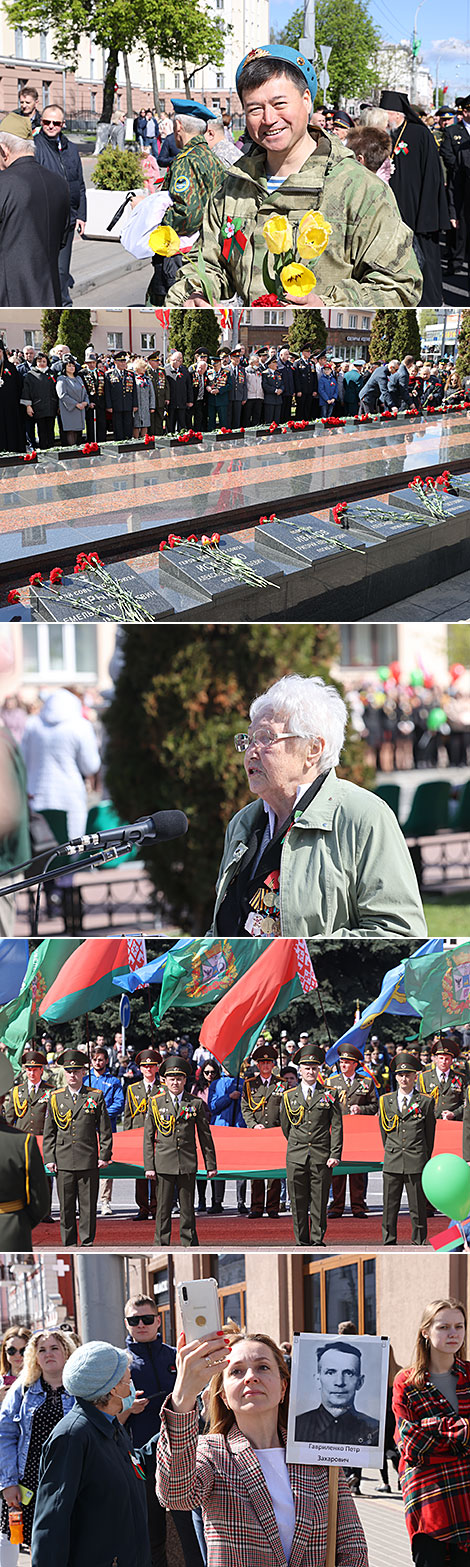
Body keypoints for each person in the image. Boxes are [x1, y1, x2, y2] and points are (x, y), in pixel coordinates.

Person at [166, 46, 422, 306]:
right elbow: (208, 263)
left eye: (279, 104)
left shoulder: (358, 188)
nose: (268, 119)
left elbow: (399, 285)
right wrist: (196, 293)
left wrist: (328, 306)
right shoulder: (233, 186)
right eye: (255, 109)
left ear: (306, 100)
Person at [209, 673, 427, 938]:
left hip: (314, 979)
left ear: (313, 749)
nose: (251, 752)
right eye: (249, 739)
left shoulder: (363, 816)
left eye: (266, 738)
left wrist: (298, 959)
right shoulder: (243, 823)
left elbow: (399, 932)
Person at [156, 1328, 369, 1567]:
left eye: (263, 1367)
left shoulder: (316, 1452)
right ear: (224, 1396)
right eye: (236, 1371)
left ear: (283, 1388)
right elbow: (175, 1495)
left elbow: (352, 1545)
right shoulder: (212, 1452)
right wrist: (183, 1396)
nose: (251, 1377)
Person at [31, 1341, 151, 1567]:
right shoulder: (72, 1436)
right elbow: (52, 1522)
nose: (132, 1385)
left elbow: (132, 1466)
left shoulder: (110, 1424)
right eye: (128, 1380)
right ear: (113, 1389)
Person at [124, 1295, 203, 1567]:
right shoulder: (121, 1363)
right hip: (141, 1458)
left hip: (183, 1452)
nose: (141, 1325)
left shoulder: (176, 1356)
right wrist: (127, 1410)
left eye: (147, 1319)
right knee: (150, 1532)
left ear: (158, 1320)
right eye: (134, 1320)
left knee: (191, 1528)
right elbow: (106, 1417)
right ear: (126, 1324)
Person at [392, 1296, 470, 1567]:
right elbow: (411, 1444)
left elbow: (424, 1442)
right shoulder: (407, 1382)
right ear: (425, 1331)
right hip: (428, 1499)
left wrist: (433, 1428)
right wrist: (463, 1432)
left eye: (459, 1327)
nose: (453, 1334)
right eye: (444, 1327)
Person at [0, 1328, 75, 1566]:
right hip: (30, 1481)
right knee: (37, 1547)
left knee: (73, 1543)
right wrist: (9, 1482)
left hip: (72, 1477)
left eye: (54, 1348)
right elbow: (4, 1434)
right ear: (35, 1356)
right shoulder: (22, 1389)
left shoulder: (81, 1388)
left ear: (66, 1352)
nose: (48, 1354)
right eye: (42, 1349)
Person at [146, 99, 224, 303]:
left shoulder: (186, 160)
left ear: (178, 126)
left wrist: (155, 219)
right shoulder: (210, 156)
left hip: (182, 253)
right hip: (205, 249)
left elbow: (186, 214)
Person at [380, 90, 450, 305]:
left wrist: (427, 212)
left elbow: (432, 175)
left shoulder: (420, 134)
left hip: (420, 209)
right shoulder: (387, 134)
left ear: (397, 114)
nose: (383, 119)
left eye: (385, 114)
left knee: (426, 257)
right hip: (396, 207)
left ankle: (430, 299)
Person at [143, 1053, 217, 1247]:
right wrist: (149, 1166)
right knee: (163, 1209)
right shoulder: (155, 1103)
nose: (175, 1082)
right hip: (164, 1163)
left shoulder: (195, 1103)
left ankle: (190, 1243)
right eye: (171, 1078)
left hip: (186, 1162)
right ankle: (161, 1243)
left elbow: (205, 1136)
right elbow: (148, 1138)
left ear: (185, 1080)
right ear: (164, 1080)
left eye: (179, 1078)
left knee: (187, 1209)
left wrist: (211, 1164)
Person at [42, 1047, 113, 1247]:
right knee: (65, 1206)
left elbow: (105, 1129)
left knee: (88, 1206)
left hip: (88, 1158)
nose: (72, 1075)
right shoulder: (55, 1097)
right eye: (69, 1071)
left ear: (84, 1072)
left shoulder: (95, 1096)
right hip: (63, 1159)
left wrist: (104, 1155)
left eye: (76, 1071)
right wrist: (49, 1158)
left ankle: (88, 1242)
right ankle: (69, 1243)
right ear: (64, 1073)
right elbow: (50, 1132)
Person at [0, 114, 70, 305]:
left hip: (10, 296)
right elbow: (62, 239)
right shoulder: (60, 183)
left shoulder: (4, 183)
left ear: (4, 150)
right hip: (49, 293)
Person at [280, 1042, 343, 1245]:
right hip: (297, 1155)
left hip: (321, 1154)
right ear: (300, 1070)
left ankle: (317, 1239)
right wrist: (298, 1144)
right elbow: (285, 1127)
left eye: (314, 1068)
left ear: (319, 1070)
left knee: (319, 1200)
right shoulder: (289, 1096)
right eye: (307, 1068)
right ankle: (301, 1240)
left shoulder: (329, 1094)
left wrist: (335, 1153)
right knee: (297, 1201)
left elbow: (337, 1126)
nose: (310, 1072)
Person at [22, 688, 100, 840]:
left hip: (37, 794)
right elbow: (90, 766)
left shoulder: (33, 724)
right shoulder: (80, 725)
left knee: (40, 850)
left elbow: (24, 760)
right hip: (69, 796)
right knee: (70, 849)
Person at [379, 1048, 436, 1246]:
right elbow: (384, 1132)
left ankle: (419, 1240)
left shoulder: (426, 1102)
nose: (404, 1079)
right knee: (389, 1206)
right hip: (393, 1159)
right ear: (396, 1077)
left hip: (416, 1159)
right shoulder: (385, 1101)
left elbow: (430, 1135)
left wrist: (423, 1157)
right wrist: (391, 1151)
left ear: (415, 1076)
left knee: (418, 1207)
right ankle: (389, 1240)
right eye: (400, 1075)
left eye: (408, 1075)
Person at [33, 106, 86, 305]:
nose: (51, 126)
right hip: (44, 220)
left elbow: (80, 184)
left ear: (63, 124)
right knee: (44, 266)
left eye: (56, 123)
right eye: (47, 122)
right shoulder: (34, 148)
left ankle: (63, 303)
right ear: (41, 123)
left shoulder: (71, 148)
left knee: (62, 269)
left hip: (69, 219)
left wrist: (81, 215)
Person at [0, 1051, 50, 1250]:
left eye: (35, 1068)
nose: (31, 1072)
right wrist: (19, 1221)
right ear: (3, 1096)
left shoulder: (50, 1091)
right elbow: (39, 1203)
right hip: (11, 1230)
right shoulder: (22, 1143)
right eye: (28, 1069)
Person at [295, 1339, 380, 1445]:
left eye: (348, 1373)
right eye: (330, 1373)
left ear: (360, 1382)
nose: (340, 1382)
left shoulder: (376, 1430)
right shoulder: (296, 1427)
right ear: (317, 1380)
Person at [326, 1044, 378, 1219]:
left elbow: (375, 1106)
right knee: (337, 1169)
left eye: (347, 1062)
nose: (343, 1065)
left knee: (356, 1171)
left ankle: (358, 1205)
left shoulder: (366, 1082)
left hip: (358, 1133)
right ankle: (336, 1205)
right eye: (341, 1062)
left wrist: (361, 1109)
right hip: (337, 1131)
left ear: (355, 1064)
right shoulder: (331, 1083)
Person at [241, 1042, 282, 1218]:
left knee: (274, 1172)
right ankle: (256, 1206)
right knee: (257, 1171)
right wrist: (252, 1125)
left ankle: (272, 1207)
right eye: (262, 1063)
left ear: (273, 1065)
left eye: (269, 1062)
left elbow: (285, 1108)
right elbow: (245, 1108)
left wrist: (282, 1129)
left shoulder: (281, 1084)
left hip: (275, 1132)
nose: (266, 1065)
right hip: (256, 1134)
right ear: (258, 1065)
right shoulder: (250, 1085)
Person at [124, 1048, 161, 1220]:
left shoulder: (163, 1089)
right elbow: (128, 1116)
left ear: (157, 1068)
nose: (148, 1069)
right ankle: (142, 1208)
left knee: (156, 1173)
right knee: (140, 1174)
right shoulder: (132, 1089)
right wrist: (127, 1138)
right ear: (140, 1069)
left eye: (152, 1066)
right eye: (145, 1066)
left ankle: (155, 1206)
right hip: (138, 1136)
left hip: (158, 1136)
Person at [87, 1045, 124, 1217]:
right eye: (94, 1060)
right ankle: (87, 1201)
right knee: (86, 1165)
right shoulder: (86, 1080)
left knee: (105, 1164)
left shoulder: (114, 1081)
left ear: (107, 1061)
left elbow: (119, 1103)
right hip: (86, 1129)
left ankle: (105, 1201)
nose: (97, 1062)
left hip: (107, 1129)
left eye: (101, 1059)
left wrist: (101, 1114)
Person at [419, 1039, 465, 1121]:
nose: (443, 1062)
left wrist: (454, 1113)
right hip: (430, 1122)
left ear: (451, 1061)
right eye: (441, 1058)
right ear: (435, 1059)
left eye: (447, 1059)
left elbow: (466, 1102)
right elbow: (418, 1100)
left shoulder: (460, 1078)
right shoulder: (424, 1077)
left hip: (453, 1122)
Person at [19, 353, 58, 450]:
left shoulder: (52, 373)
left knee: (50, 430)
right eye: (39, 361)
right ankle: (44, 450)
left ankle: (52, 449)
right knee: (41, 430)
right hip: (38, 407)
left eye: (44, 361)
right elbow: (26, 392)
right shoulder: (30, 375)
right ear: (36, 362)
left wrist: (58, 405)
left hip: (51, 406)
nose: (42, 363)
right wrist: (28, 406)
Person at [104, 352, 138, 440]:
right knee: (118, 427)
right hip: (116, 405)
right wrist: (109, 406)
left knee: (128, 426)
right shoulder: (109, 375)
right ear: (115, 362)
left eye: (124, 361)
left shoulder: (130, 374)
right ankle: (119, 443)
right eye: (121, 362)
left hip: (128, 404)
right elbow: (107, 392)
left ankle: (128, 442)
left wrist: (135, 404)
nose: (123, 363)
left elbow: (134, 391)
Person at [55, 359, 89, 445]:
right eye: (69, 366)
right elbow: (62, 395)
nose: (72, 367)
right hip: (69, 410)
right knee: (71, 432)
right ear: (65, 367)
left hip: (80, 409)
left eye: (73, 366)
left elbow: (85, 392)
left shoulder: (78, 378)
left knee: (79, 432)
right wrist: (76, 404)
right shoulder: (62, 379)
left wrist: (85, 402)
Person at [0, 1329, 31, 1407]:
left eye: (23, 1350)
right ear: (5, 1351)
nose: (18, 1355)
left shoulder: (44, 1379)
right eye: (12, 1350)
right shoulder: (1, 1381)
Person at [165, 351, 194, 432]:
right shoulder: (166, 370)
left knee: (182, 424)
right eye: (177, 359)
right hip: (171, 402)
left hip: (182, 401)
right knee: (170, 423)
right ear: (171, 360)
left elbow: (189, 386)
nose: (179, 361)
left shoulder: (184, 370)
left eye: (180, 360)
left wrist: (190, 400)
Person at [131, 358, 156, 438]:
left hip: (145, 406)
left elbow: (151, 394)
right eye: (143, 367)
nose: (145, 369)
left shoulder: (147, 380)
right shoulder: (133, 379)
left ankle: (144, 440)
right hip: (137, 406)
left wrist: (152, 406)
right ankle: (135, 440)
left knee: (145, 424)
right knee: (136, 425)